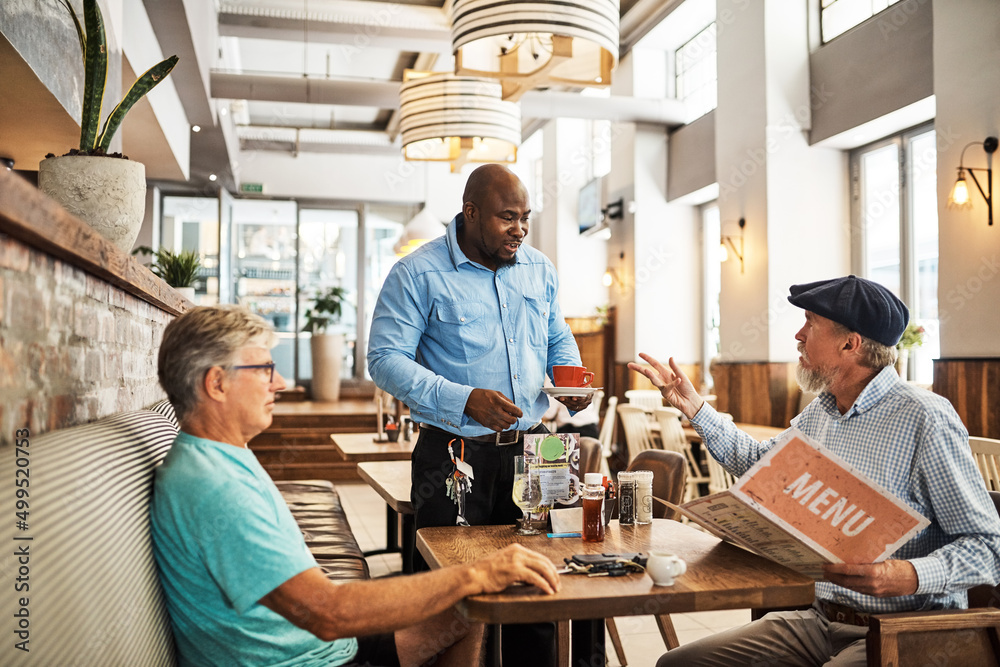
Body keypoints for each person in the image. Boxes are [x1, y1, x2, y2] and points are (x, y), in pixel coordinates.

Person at [150, 305, 561, 667]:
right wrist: (475, 573)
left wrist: (471, 580)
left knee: (466, 608)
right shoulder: (216, 487)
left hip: (310, 645)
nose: (281, 384)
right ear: (216, 384)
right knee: (468, 592)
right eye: (264, 370)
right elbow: (327, 613)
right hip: (305, 658)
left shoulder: (217, 456)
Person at [629, 275, 1000, 667]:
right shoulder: (823, 409)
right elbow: (759, 466)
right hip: (820, 621)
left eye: (810, 322)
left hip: (906, 630)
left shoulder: (925, 418)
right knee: (678, 664)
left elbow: (990, 548)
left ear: (850, 343)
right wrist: (696, 409)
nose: (799, 334)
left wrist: (906, 574)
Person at [368, 163, 590, 665]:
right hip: (453, 456)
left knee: (538, 591)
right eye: (506, 217)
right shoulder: (417, 273)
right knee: (451, 603)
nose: (520, 229)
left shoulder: (539, 269)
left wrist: (570, 378)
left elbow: (558, 337)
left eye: (525, 217)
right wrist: (462, 398)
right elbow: (383, 360)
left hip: (538, 452)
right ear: (469, 213)